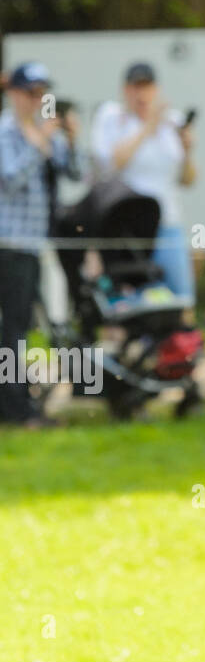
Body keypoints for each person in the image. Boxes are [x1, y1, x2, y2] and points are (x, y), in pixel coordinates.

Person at [0, 62, 81, 426]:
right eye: (31, 93)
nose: (38, 101)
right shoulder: (5, 132)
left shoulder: (44, 133)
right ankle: (16, 409)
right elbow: (10, 180)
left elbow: (76, 173)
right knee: (13, 329)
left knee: (22, 328)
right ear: (14, 94)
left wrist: (71, 138)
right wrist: (38, 146)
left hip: (34, 245)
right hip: (9, 244)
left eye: (42, 94)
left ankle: (18, 402)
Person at [89, 62, 197, 303]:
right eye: (135, 87)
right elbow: (113, 162)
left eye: (146, 87)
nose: (141, 94)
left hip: (168, 222)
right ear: (125, 90)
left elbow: (188, 179)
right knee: (128, 299)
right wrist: (148, 126)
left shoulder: (173, 122)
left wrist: (188, 151)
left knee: (180, 296)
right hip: (128, 226)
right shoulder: (111, 117)